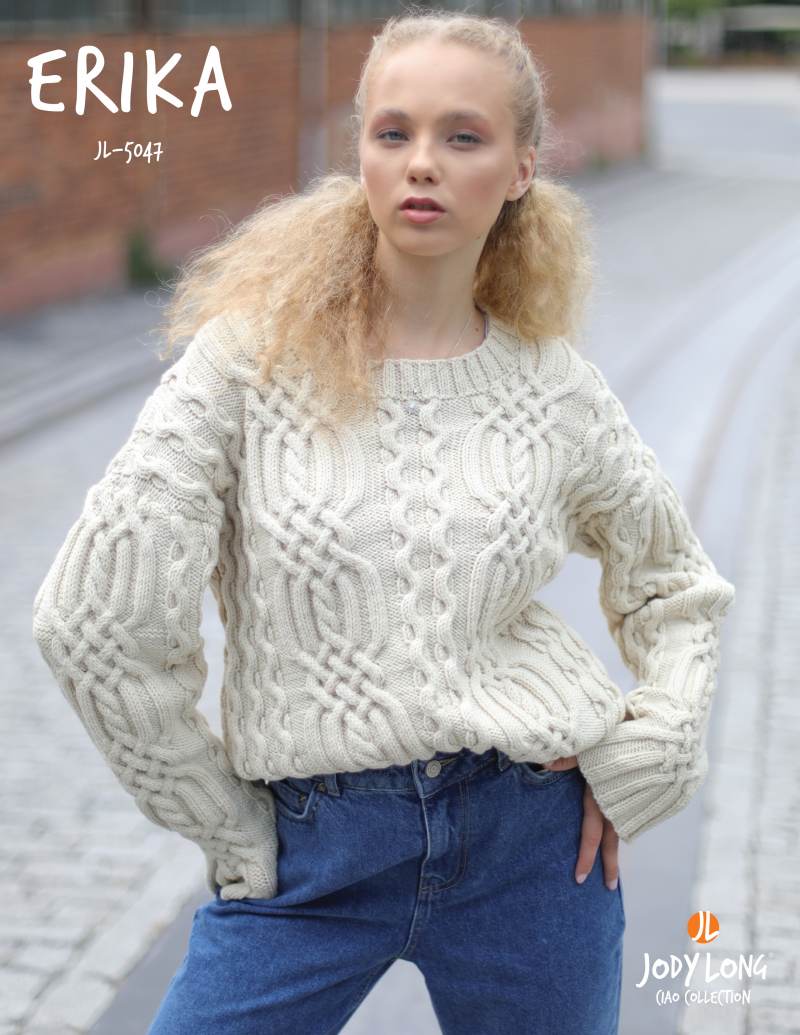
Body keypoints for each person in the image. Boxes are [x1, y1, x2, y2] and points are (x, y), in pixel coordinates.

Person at [31, 8, 736, 1034]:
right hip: (310, 857)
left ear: (521, 169)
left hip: (531, 848)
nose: (422, 162)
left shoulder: (552, 387)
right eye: (393, 132)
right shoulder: (244, 367)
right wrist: (222, 820)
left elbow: (675, 586)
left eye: (463, 136)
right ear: (357, 150)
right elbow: (93, 622)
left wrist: (656, 746)